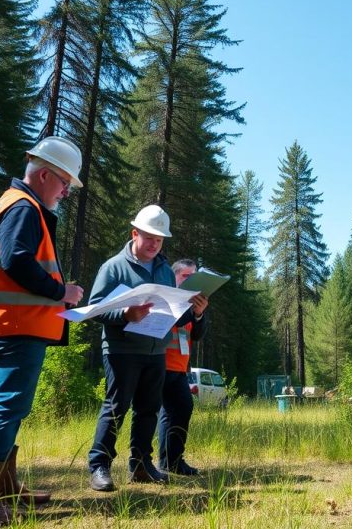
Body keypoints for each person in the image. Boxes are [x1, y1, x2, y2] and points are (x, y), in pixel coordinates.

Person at [0, 136, 85, 525]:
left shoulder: (20, 205)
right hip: (15, 327)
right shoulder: (23, 207)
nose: (67, 191)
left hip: (12, 325)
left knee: (7, 405)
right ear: (45, 174)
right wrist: (60, 291)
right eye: (65, 182)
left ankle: (3, 487)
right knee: (7, 406)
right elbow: (17, 260)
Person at [87, 206, 209, 491]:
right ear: (135, 234)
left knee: (149, 410)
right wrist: (125, 315)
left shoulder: (165, 270)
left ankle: (141, 465)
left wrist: (196, 311)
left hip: (156, 351)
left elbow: (173, 311)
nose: (154, 244)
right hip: (122, 350)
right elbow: (95, 309)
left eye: (160, 239)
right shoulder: (113, 267)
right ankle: (99, 466)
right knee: (116, 407)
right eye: (149, 237)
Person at [157, 259, 208, 476]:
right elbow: (173, 322)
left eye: (194, 277)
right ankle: (149, 462)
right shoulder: (167, 298)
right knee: (156, 413)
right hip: (158, 363)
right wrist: (191, 309)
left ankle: (174, 461)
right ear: (174, 277)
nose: (191, 281)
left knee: (182, 409)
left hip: (180, 368)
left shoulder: (191, 303)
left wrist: (199, 314)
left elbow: (196, 335)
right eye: (187, 276)